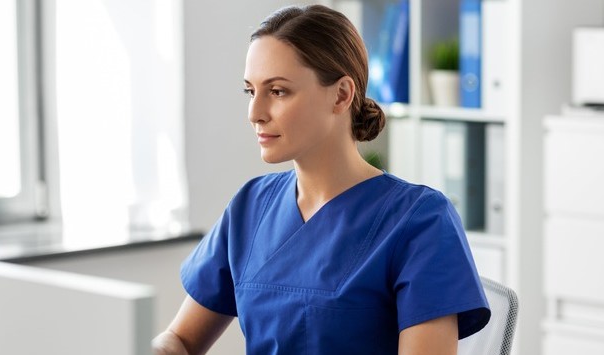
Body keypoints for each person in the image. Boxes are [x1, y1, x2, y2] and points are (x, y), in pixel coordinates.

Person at [152, 5, 490, 354]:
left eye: (278, 91)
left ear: (342, 95)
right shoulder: (250, 207)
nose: (255, 113)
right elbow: (180, 339)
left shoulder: (420, 221)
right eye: (250, 91)